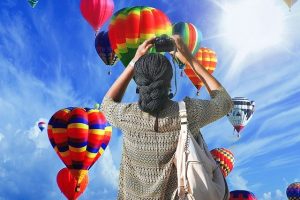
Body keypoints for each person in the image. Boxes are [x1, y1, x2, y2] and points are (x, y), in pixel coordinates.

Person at [101, 35, 233, 200]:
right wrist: (189, 59)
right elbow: (224, 102)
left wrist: (134, 62)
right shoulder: (189, 113)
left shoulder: (127, 116)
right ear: (169, 80)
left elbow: (106, 105)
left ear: (138, 81)